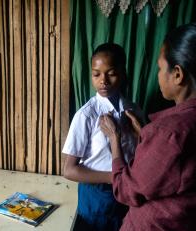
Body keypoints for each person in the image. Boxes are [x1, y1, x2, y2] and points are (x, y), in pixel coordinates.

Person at [100, 22, 196, 231]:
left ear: (178, 74)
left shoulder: (170, 133)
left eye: (160, 68)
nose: (158, 75)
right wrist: (147, 136)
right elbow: (176, 173)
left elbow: (126, 190)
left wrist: (114, 140)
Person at [62, 43, 144, 231]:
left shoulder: (134, 111)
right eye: (96, 74)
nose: (103, 81)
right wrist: (114, 178)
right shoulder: (87, 115)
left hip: (128, 194)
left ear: (122, 73)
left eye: (111, 73)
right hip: (97, 195)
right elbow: (69, 170)